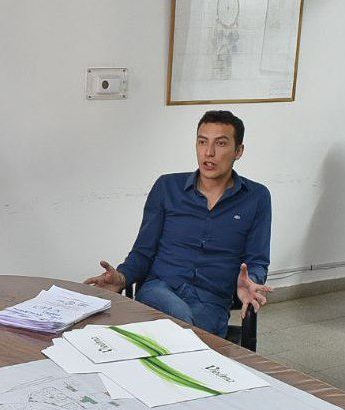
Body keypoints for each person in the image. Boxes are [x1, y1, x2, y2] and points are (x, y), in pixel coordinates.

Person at [84, 110, 274, 337]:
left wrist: (251, 281)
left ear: (238, 151)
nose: (209, 152)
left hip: (211, 301)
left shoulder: (256, 197)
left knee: (183, 332)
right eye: (202, 142)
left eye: (221, 144)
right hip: (159, 290)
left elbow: (257, 259)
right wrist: (122, 277)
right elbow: (143, 252)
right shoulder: (167, 187)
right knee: (183, 327)